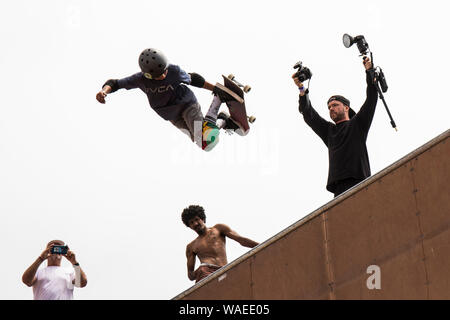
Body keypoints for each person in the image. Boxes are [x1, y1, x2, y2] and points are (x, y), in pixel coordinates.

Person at [96, 48, 239, 151]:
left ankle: (218, 98)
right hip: (171, 116)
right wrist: (104, 91)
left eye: (164, 71)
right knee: (203, 144)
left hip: (186, 104)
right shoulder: (140, 79)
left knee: (202, 135)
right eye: (159, 75)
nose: (164, 76)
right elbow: (115, 83)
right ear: (148, 76)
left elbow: (193, 79)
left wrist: (215, 88)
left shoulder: (173, 71)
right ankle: (223, 120)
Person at [292, 57, 379, 197]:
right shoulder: (329, 131)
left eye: (335, 105)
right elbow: (309, 115)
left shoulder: (358, 124)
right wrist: (301, 89)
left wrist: (369, 71)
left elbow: (371, 98)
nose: (331, 108)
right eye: (329, 107)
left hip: (360, 182)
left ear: (346, 107)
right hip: (338, 188)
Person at [182, 205, 259, 283]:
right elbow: (190, 275)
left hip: (224, 270)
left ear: (203, 219)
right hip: (205, 274)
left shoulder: (218, 229)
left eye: (196, 219)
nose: (195, 223)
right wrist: (200, 270)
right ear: (190, 226)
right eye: (191, 222)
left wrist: (263, 246)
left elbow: (241, 240)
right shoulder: (191, 247)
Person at [22, 240, 88, 300]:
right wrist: (41, 258)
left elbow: (82, 283)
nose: (56, 250)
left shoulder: (70, 271)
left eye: (60, 248)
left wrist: (74, 262)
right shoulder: (38, 272)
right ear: (47, 251)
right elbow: (26, 281)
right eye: (52, 248)